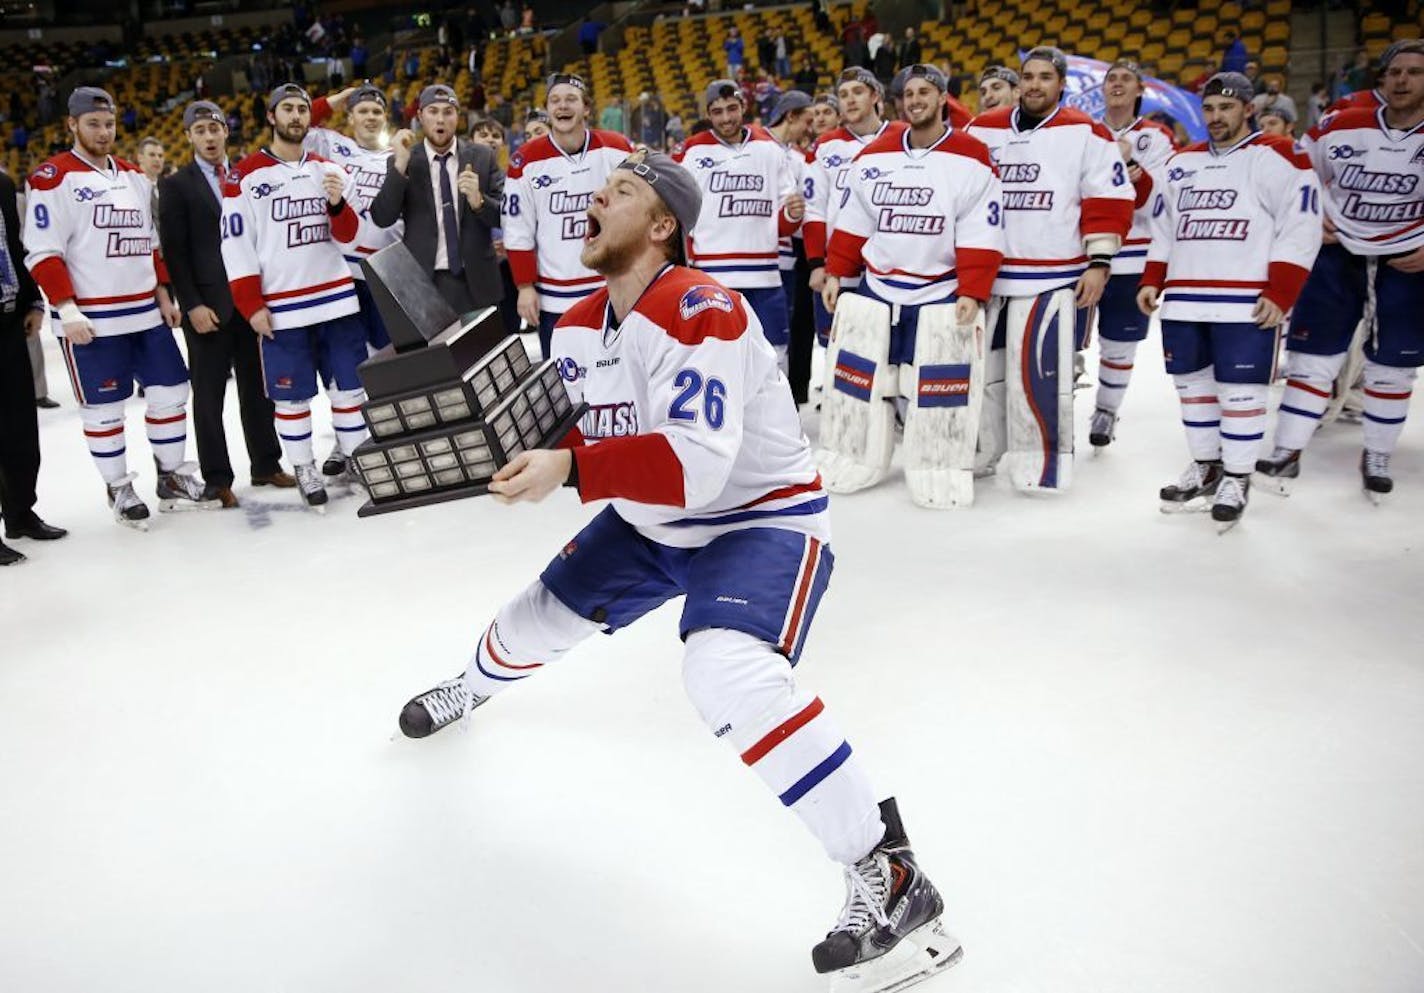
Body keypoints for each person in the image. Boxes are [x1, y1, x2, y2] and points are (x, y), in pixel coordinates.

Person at [396, 148, 962, 991]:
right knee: (530, 620)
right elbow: (585, 431)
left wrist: (572, 469)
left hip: (757, 518)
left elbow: (693, 465)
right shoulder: (580, 320)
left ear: (663, 225)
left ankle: (893, 874)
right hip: (650, 520)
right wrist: (493, 445)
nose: (595, 198)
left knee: (725, 667)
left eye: (619, 192)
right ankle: (470, 689)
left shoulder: (705, 308)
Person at [1138, 72, 1322, 527]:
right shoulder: (1182, 162)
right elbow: (1164, 228)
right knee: (1192, 389)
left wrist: (1280, 292)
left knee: (1241, 394)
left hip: (1245, 298)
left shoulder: (1278, 157)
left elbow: (1301, 228)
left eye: (1226, 107)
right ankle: (1206, 465)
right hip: (1184, 296)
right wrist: (1152, 278)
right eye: (1210, 109)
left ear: (1247, 109)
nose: (1216, 117)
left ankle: (1237, 475)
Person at [23, 87, 209, 528]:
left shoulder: (132, 176)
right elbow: (42, 252)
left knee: (171, 392)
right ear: (72, 124)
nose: (104, 132)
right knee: (104, 409)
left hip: (144, 310)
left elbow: (152, 244)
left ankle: (171, 477)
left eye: (108, 124)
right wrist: (66, 309)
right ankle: (118, 486)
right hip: (93, 316)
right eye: (93, 124)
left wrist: (163, 294)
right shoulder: (53, 178)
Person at [820, 63, 1004, 499]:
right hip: (878, 288)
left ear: (943, 98)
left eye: (925, 92)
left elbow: (982, 228)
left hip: (938, 291)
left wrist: (973, 291)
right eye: (909, 93)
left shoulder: (971, 156)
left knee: (936, 386)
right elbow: (855, 218)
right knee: (861, 380)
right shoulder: (876, 155)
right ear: (899, 102)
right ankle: (857, 453)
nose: (916, 100)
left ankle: (937, 460)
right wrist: (837, 271)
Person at [1258, 41, 1424, 498]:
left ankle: (1377, 454)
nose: (1403, 80)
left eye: (1414, 72)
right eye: (1395, 72)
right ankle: (1287, 450)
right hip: (1337, 253)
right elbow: (1297, 167)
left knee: (1393, 366)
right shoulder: (1343, 119)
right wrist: (1311, 214)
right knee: (1312, 360)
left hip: (1408, 259)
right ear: (1382, 78)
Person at [967, 47, 1133, 492]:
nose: (1035, 84)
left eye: (1045, 77)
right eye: (1028, 76)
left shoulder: (1086, 131)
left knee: (1039, 378)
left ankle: (1040, 462)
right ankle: (984, 448)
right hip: (990, 275)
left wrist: (1099, 263)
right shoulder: (981, 129)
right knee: (985, 372)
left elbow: (1110, 200)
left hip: (1052, 276)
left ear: (1061, 83)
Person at [219, 83, 371, 511]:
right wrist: (251, 306)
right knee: (292, 396)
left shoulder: (329, 168)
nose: (296, 116)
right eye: (287, 109)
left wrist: (338, 203)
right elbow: (235, 246)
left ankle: (357, 458)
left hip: (337, 298)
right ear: (271, 116)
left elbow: (349, 235)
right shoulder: (244, 177)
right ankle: (303, 466)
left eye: (302, 110)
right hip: (282, 305)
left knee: (349, 389)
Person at [158, 100, 293, 509]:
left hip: (247, 303)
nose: (209, 137)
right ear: (189, 137)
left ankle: (266, 463)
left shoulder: (245, 176)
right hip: (208, 309)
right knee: (209, 397)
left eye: (214, 128)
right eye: (200, 131)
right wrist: (192, 304)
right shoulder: (177, 185)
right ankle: (218, 478)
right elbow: (175, 253)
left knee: (258, 390)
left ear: (225, 132)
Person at [673, 79, 804, 368]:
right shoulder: (691, 151)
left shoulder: (769, 149)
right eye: (717, 111)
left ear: (744, 106)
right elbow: (676, 215)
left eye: (732, 108)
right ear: (708, 113)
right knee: (716, 361)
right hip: (712, 278)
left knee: (774, 357)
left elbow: (783, 225)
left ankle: (773, 414)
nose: (726, 118)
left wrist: (793, 214)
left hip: (765, 278)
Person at [503, 73, 633, 358]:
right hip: (555, 297)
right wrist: (525, 287)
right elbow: (516, 230)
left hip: (612, 288)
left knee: (618, 379)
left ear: (586, 108)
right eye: (555, 100)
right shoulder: (524, 161)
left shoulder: (618, 148)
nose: (563, 106)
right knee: (562, 387)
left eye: (571, 99)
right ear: (548, 109)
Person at [1087, 60, 1178, 448]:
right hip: (1083, 254)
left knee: (1118, 342)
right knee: (1063, 340)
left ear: (1141, 90)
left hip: (1133, 255)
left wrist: (1129, 162)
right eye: (1112, 79)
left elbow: (1160, 198)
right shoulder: (1084, 131)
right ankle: (1054, 407)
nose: (1118, 84)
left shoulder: (1156, 137)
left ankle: (1106, 410)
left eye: (1126, 79)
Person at [369, 85, 506, 318]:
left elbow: (506, 216)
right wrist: (400, 166)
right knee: (434, 355)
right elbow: (382, 217)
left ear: (458, 117)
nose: (440, 119)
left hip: (477, 281)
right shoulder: (403, 159)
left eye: (448, 112)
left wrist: (478, 201)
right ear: (420, 116)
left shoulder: (482, 157)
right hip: (424, 284)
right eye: (433, 111)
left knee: (482, 354)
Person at [304, 84, 401, 364]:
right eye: (362, 111)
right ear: (350, 117)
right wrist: (333, 101)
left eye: (376, 111)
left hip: (386, 273)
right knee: (353, 361)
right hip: (343, 273)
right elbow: (292, 125)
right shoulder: (333, 145)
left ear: (385, 118)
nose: (370, 116)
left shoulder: (399, 158)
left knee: (390, 356)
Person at [0, 166, 65, 565]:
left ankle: (21, 513)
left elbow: (16, 245)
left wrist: (34, 301)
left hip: (8, 319)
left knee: (19, 426)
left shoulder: (3, 184)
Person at [803, 69, 894, 350]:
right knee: (836, 350)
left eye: (857, 92)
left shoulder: (902, 138)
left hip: (889, 268)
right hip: (838, 269)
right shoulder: (825, 146)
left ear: (875, 95)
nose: (850, 100)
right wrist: (817, 264)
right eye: (843, 95)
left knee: (884, 352)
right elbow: (814, 209)